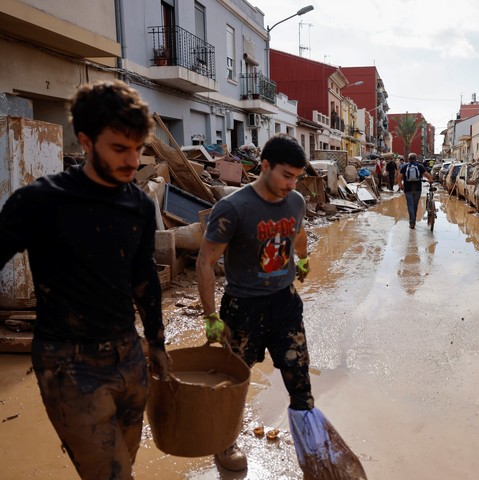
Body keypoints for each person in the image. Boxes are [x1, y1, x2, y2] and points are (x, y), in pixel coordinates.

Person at [0, 79, 170, 479]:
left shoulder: (139, 206)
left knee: (125, 461)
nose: (132, 161)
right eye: (119, 148)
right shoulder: (41, 201)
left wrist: (157, 342)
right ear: (86, 141)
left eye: (138, 148)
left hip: (129, 355)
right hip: (69, 364)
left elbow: (143, 276)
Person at [196, 133, 314, 472]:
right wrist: (210, 317)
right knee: (232, 384)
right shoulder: (233, 208)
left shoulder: (295, 202)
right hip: (242, 309)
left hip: (285, 304)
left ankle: (310, 449)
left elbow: (300, 232)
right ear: (264, 166)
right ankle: (225, 443)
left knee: (300, 381)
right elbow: (205, 261)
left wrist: (303, 260)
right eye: (286, 175)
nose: (292, 184)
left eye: (297, 177)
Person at [399, 152, 433, 229]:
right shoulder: (419, 166)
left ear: (408, 159)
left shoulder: (404, 166)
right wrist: (430, 180)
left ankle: (412, 222)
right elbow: (426, 174)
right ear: (416, 158)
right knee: (415, 205)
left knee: (410, 205)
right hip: (417, 188)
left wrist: (400, 185)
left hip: (407, 189)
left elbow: (399, 177)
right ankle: (413, 219)